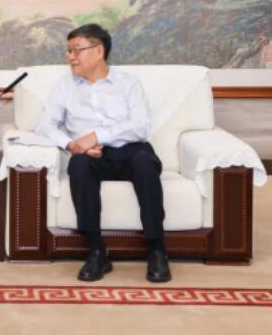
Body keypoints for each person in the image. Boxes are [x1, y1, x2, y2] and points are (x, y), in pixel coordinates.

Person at [36, 23, 171, 283]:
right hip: (91, 157)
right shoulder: (64, 86)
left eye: (77, 50)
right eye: (69, 51)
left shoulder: (128, 83)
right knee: (78, 165)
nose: (71, 57)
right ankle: (96, 251)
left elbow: (140, 127)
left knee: (145, 162)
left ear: (99, 51)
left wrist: (96, 136)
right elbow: (45, 126)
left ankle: (157, 249)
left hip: (131, 152)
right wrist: (72, 145)